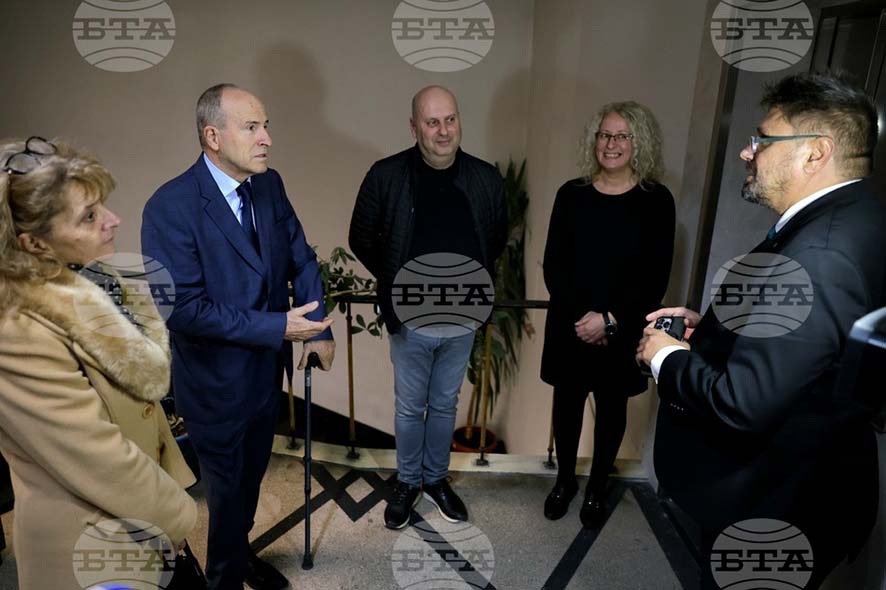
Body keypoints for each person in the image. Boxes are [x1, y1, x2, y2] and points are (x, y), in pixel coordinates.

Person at [637, 72, 885, 589]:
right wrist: (715, 330)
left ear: (815, 152)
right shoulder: (857, 214)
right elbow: (809, 346)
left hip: (777, 504)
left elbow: (743, 404)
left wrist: (665, 355)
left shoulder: (822, 255)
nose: (747, 152)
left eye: (763, 140)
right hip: (797, 483)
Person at [142, 84, 334, 590]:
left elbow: (302, 258)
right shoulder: (169, 207)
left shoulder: (269, 186)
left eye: (265, 126)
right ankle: (224, 579)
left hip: (266, 377)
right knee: (226, 497)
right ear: (213, 136)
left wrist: (319, 328)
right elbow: (184, 309)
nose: (266, 138)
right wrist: (280, 327)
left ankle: (240, 556)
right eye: (252, 127)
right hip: (215, 387)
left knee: (249, 484)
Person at [0, 137, 197, 589]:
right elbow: (98, 457)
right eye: (88, 216)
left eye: (102, 205)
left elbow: (142, 406)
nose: (113, 220)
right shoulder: (15, 329)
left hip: (143, 512)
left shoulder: (92, 277)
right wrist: (176, 516)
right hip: (91, 542)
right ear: (34, 243)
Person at [349, 85, 507, 530]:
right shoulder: (386, 175)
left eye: (450, 119)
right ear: (414, 126)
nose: (443, 131)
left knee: (444, 405)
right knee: (408, 406)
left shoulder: (486, 179)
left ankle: (435, 480)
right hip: (410, 317)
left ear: (459, 122)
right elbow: (361, 237)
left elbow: (495, 238)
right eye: (432, 122)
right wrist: (402, 282)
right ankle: (406, 482)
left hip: (463, 316)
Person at [540, 102, 675, 526]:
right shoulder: (571, 194)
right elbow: (554, 265)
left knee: (612, 410)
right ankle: (564, 482)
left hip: (623, 328)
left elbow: (655, 277)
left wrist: (610, 319)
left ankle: (596, 489)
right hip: (571, 325)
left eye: (621, 136)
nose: (610, 144)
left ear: (638, 143)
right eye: (604, 134)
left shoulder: (656, 201)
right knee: (566, 407)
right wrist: (585, 318)